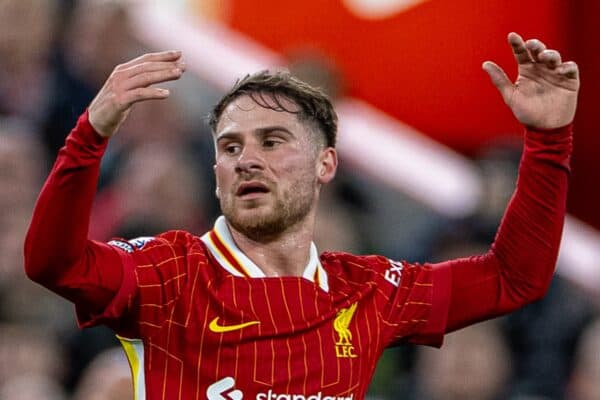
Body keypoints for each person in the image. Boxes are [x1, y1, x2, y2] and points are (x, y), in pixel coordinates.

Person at [24, 32, 579, 399]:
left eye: (272, 141)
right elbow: (55, 264)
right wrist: (91, 133)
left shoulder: (369, 292)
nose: (248, 161)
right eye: (231, 147)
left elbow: (513, 277)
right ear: (215, 171)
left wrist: (549, 140)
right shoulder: (168, 271)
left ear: (325, 164)